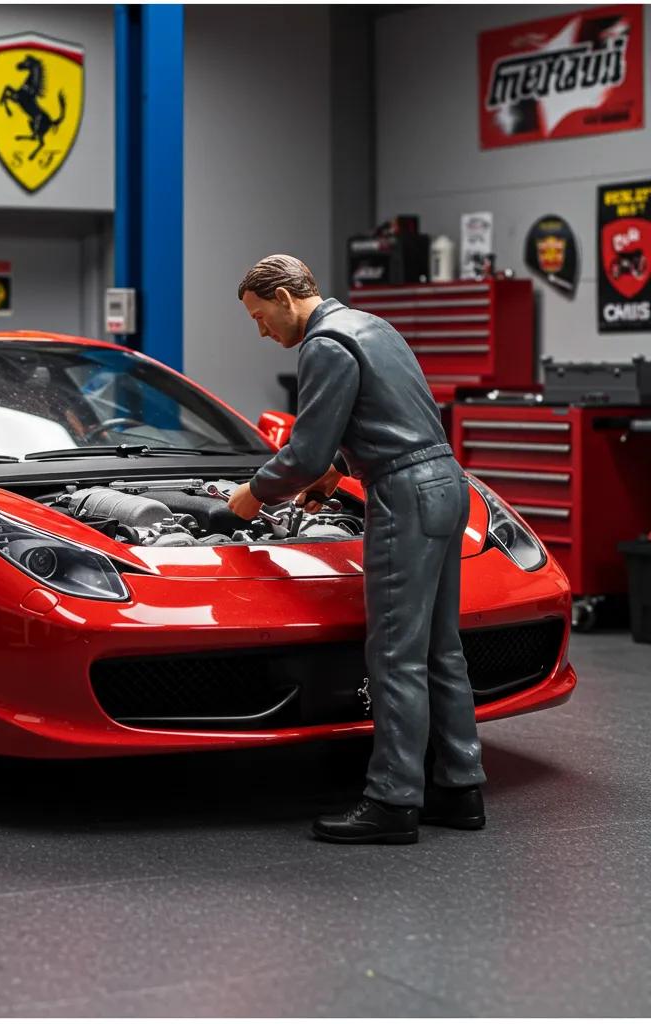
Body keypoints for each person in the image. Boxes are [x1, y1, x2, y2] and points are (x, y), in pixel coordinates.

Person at [228, 254, 486, 844]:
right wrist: (338, 471)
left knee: (394, 655)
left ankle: (392, 800)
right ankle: (460, 787)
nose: (261, 331)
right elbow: (390, 414)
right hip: (448, 484)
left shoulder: (323, 345)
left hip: (403, 495)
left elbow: (303, 453)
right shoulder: (373, 326)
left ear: (285, 298)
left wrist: (254, 492)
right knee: (441, 650)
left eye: (260, 317)